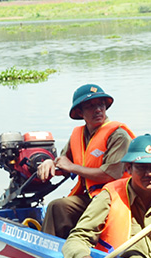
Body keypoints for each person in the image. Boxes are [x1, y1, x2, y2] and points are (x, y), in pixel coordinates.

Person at [37, 83, 135, 238]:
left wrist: (73, 167)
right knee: (57, 207)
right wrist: (50, 163)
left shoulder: (119, 136)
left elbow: (110, 175)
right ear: (80, 112)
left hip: (117, 199)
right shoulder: (78, 134)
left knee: (83, 214)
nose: (97, 110)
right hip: (91, 197)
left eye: (100, 105)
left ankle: (77, 248)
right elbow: (63, 162)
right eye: (90, 106)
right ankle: (49, 251)